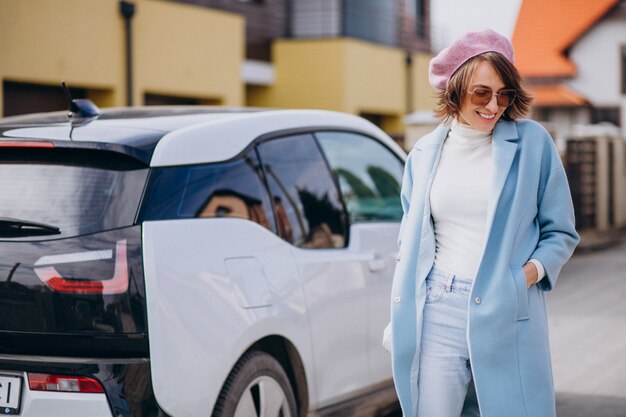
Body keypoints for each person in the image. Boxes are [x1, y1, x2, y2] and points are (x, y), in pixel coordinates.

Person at [383, 29, 580, 417]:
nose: (494, 105)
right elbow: (411, 241)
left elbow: (561, 231)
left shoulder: (533, 145)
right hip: (437, 307)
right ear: (455, 89)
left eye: (504, 94)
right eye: (482, 93)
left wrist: (521, 278)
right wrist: (403, 314)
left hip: (506, 307)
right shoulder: (423, 154)